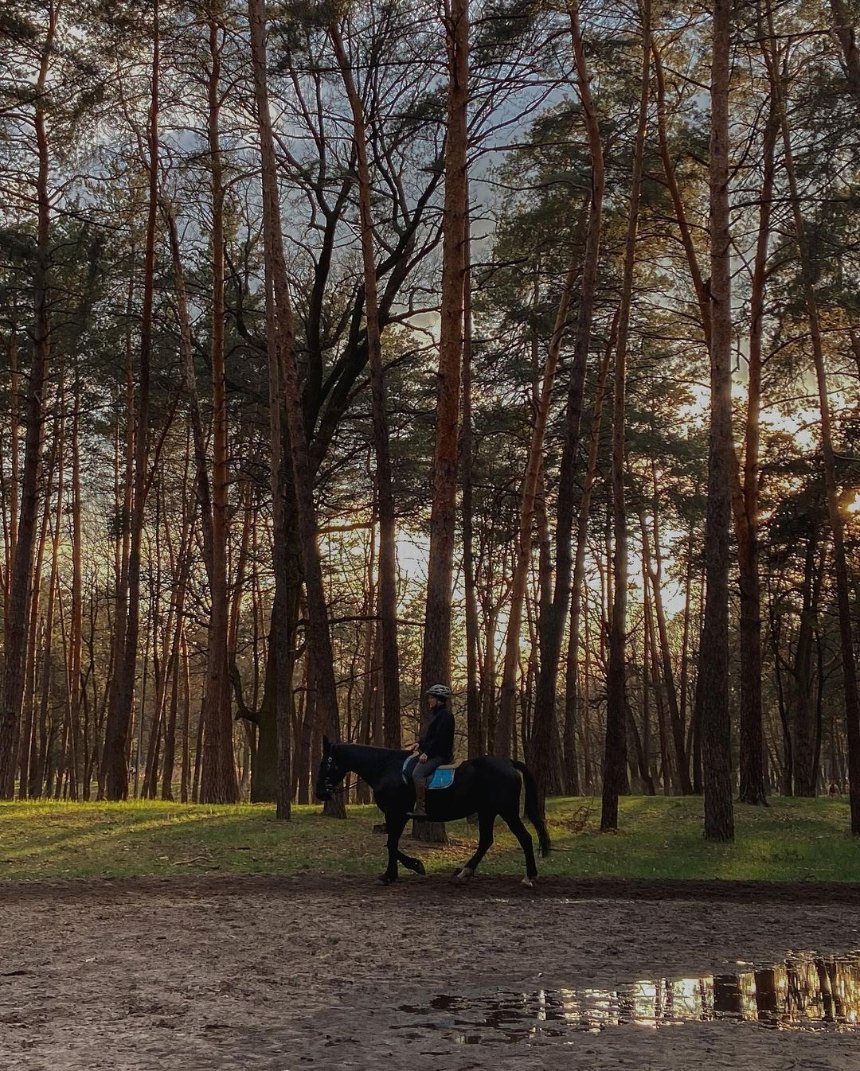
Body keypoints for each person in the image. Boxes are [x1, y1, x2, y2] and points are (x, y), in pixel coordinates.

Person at [407, 684, 455, 818]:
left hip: (440, 755)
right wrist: (419, 743)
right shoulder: (437, 715)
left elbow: (440, 740)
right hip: (434, 753)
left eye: (431, 698)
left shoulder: (445, 716)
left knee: (417, 774)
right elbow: (430, 737)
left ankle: (421, 809)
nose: (429, 700)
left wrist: (427, 754)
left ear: (439, 699)